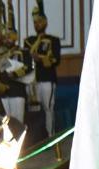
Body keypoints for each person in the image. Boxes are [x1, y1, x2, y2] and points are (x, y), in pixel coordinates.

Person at [23, 1, 60, 135]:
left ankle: (51, 137)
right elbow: (26, 60)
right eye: (35, 22)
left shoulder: (53, 40)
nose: (37, 24)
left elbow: (56, 60)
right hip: (32, 81)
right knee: (33, 110)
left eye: (39, 22)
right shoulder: (29, 41)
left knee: (48, 109)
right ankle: (36, 138)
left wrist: (41, 58)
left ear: (45, 22)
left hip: (47, 79)